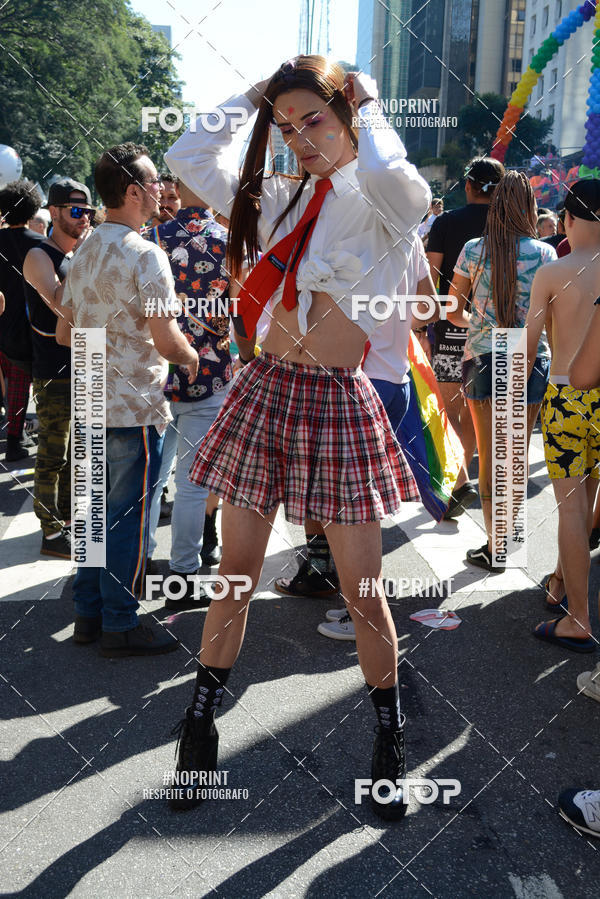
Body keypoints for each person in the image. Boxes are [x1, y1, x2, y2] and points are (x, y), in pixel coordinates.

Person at [164, 55, 430, 818]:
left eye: (313, 119)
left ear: (346, 112)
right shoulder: (277, 198)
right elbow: (189, 156)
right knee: (237, 575)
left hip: (340, 404)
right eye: (286, 126)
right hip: (263, 392)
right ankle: (198, 729)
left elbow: (401, 182)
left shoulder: (385, 200)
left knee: (365, 592)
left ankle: (390, 741)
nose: (298, 137)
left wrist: (367, 106)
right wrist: (258, 96)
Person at [56, 143, 199, 656]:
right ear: (135, 192)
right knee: (127, 520)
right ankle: (120, 623)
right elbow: (165, 337)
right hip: (133, 402)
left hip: (90, 392)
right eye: (155, 182)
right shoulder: (146, 254)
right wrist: (191, 358)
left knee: (94, 514)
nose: (162, 189)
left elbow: (64, 334)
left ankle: (88, 615)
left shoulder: (84, 249)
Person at [447, 171, 556, 572]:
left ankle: (496, 546)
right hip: (528, 356)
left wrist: (475, 323)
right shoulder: (545, 253)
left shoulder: (474, 249)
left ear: (495, 204)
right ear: (528, 206)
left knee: (491, 457)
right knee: (516, 455)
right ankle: (509, 537)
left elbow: (453, 309)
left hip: (485, 355)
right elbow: (552, 316)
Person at [146, 178, 233, 606]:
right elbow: (247, 311)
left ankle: (140, 564)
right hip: (211, 374)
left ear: (178, 186)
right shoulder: (230, 242)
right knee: (193, 483)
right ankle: (184, 574)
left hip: (156, 374)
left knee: (153, 479)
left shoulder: (151, 239)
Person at [525, 179, 600, 653]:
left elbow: (527, 348)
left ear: (567, 220)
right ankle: (560, 581)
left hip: (569, 397)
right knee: (588, 502)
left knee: (570, 509)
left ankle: (579, 618)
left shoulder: (556, 273)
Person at [426, 158, 505, 511]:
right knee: (477, 409)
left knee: (449, 407)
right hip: (496, 332)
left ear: (469, 186)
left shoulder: (446, 222)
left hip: (448, 325)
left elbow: (430, 276)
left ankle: (458, 479)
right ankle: (463, 477)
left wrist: (422, 322)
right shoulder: (510, 224)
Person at [22, 178, 93, 558]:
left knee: (81, 454)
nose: (84, 219)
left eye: (88, 212)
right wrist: (83, 259)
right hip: (53, 370)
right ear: (54, 212)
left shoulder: (80, 251)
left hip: (87, 363)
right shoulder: (39, 255)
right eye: (76, 211)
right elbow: (60, 307)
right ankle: (50, 533)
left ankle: (66, 521)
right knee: (54, 452)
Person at [0, 180, 43, 462]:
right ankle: (14, 441)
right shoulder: (39, 245)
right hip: (24, 327)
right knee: (18, 386)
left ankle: (16, 436)